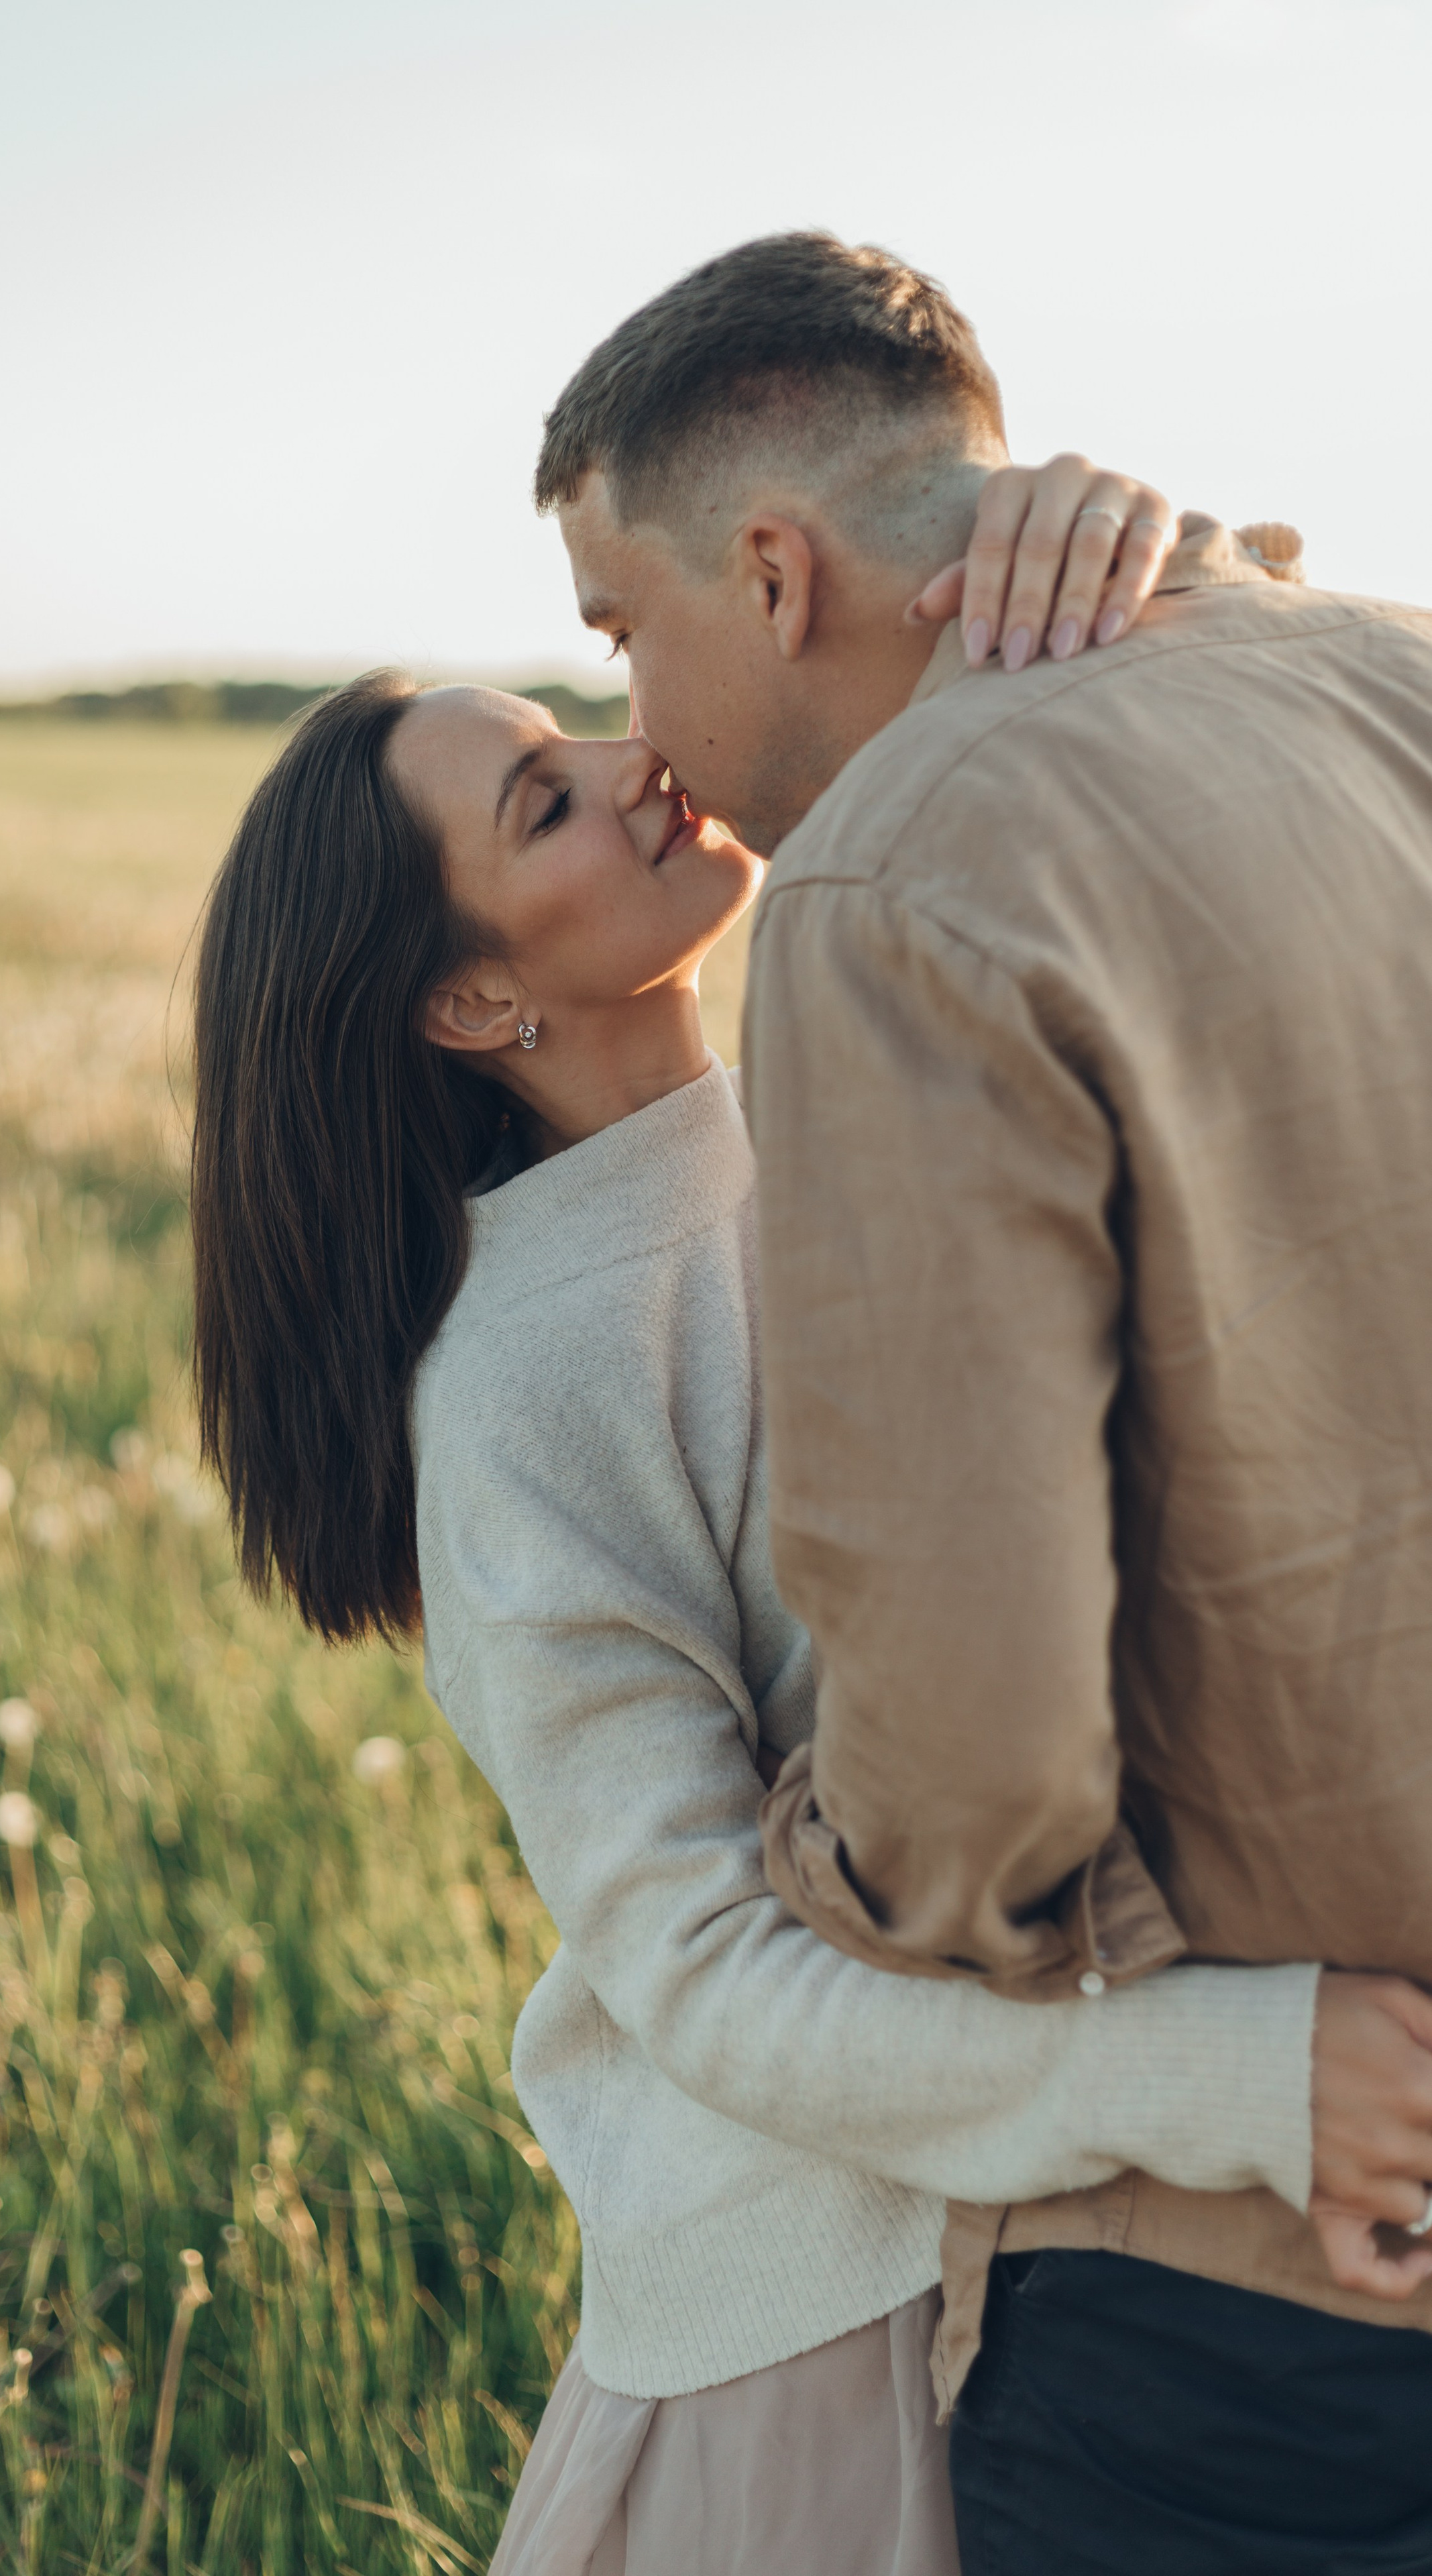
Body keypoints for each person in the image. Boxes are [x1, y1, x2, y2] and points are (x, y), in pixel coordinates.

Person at [189, 467, 1425, 2576]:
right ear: (474, 1004)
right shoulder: (527, 1386)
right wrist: (1235, 2077)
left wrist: (1096, 526)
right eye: (546, 806)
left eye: (577, 729)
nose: (632, 764)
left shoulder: (842, 1097)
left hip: (1067, 2240)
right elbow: (703, 1980)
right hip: (837, 2332)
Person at [535, 229, 1432, 2571]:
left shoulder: (886, 887)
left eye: (620, 634)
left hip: (1262, 2290)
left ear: (770, 573)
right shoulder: (1392, 671)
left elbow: (977, 1764)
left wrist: (820, 1868)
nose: (637, 732)